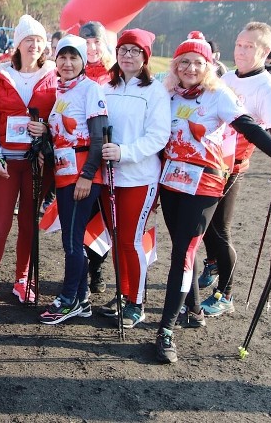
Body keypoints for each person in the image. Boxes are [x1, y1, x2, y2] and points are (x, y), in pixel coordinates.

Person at [154, 32, 271, 364]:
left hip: (206, 182)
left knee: (183, 251)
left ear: (208, 66)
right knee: (183, 246)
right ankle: (194, 310)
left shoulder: (218, 95)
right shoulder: (166, 93)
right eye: (184, 62)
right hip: (171, 181)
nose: (191, 68)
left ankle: (165, 330)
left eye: (198, 62)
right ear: (176, 66)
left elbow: (252, 129)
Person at [197, 22, 271, 319]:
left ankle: (226, 293)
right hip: (209, 162)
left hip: (233, 167)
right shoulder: (226, 77)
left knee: (218, 229)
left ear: (264, 52)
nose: (241, 50)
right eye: (239, 44)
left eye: (249, 46)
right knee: (203, 225)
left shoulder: (267, 88)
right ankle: (213, 263)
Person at [0, 15, 57, 309]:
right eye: (29, 40)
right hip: (6, 161)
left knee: (28, 223)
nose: (34, 45)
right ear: (18, 44)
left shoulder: (54, 76)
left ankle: (22, 280)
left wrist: (46, 130)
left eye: (39, 40)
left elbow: (58, 118)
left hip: (36, 162)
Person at [99, 28, 169, 329]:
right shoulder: (106, 87)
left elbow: (158, 136)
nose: (128, 55)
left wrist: (124, 152)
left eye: (135, 51)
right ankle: (124, 292)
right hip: (108, 176)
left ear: (145, 57)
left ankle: (137, 301)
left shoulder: (154, 91)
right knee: (115, 240)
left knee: (130, 240)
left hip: (139, 177)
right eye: (124, 50)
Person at [37, 35, 107, 325]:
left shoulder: (90, 89)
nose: (67, 63)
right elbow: (61, 135)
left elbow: (99, 136)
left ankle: (68, 301)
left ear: (83, 62)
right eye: (62, 57)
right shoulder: (62, 92)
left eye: (73, 58)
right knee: (72, 238)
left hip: (81, 175)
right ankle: (81, 299)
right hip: (65, 174)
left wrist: (87, 176)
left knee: (72, 241)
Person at [77, 21, 115, 294]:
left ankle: (98, 267)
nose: (91, 47)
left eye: (95, 41)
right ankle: (89, 269)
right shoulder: (71, 71)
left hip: (112, 157)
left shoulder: (115, 75)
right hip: (81, 158)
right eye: (86, 42)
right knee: (84, 216)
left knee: (105, 217)